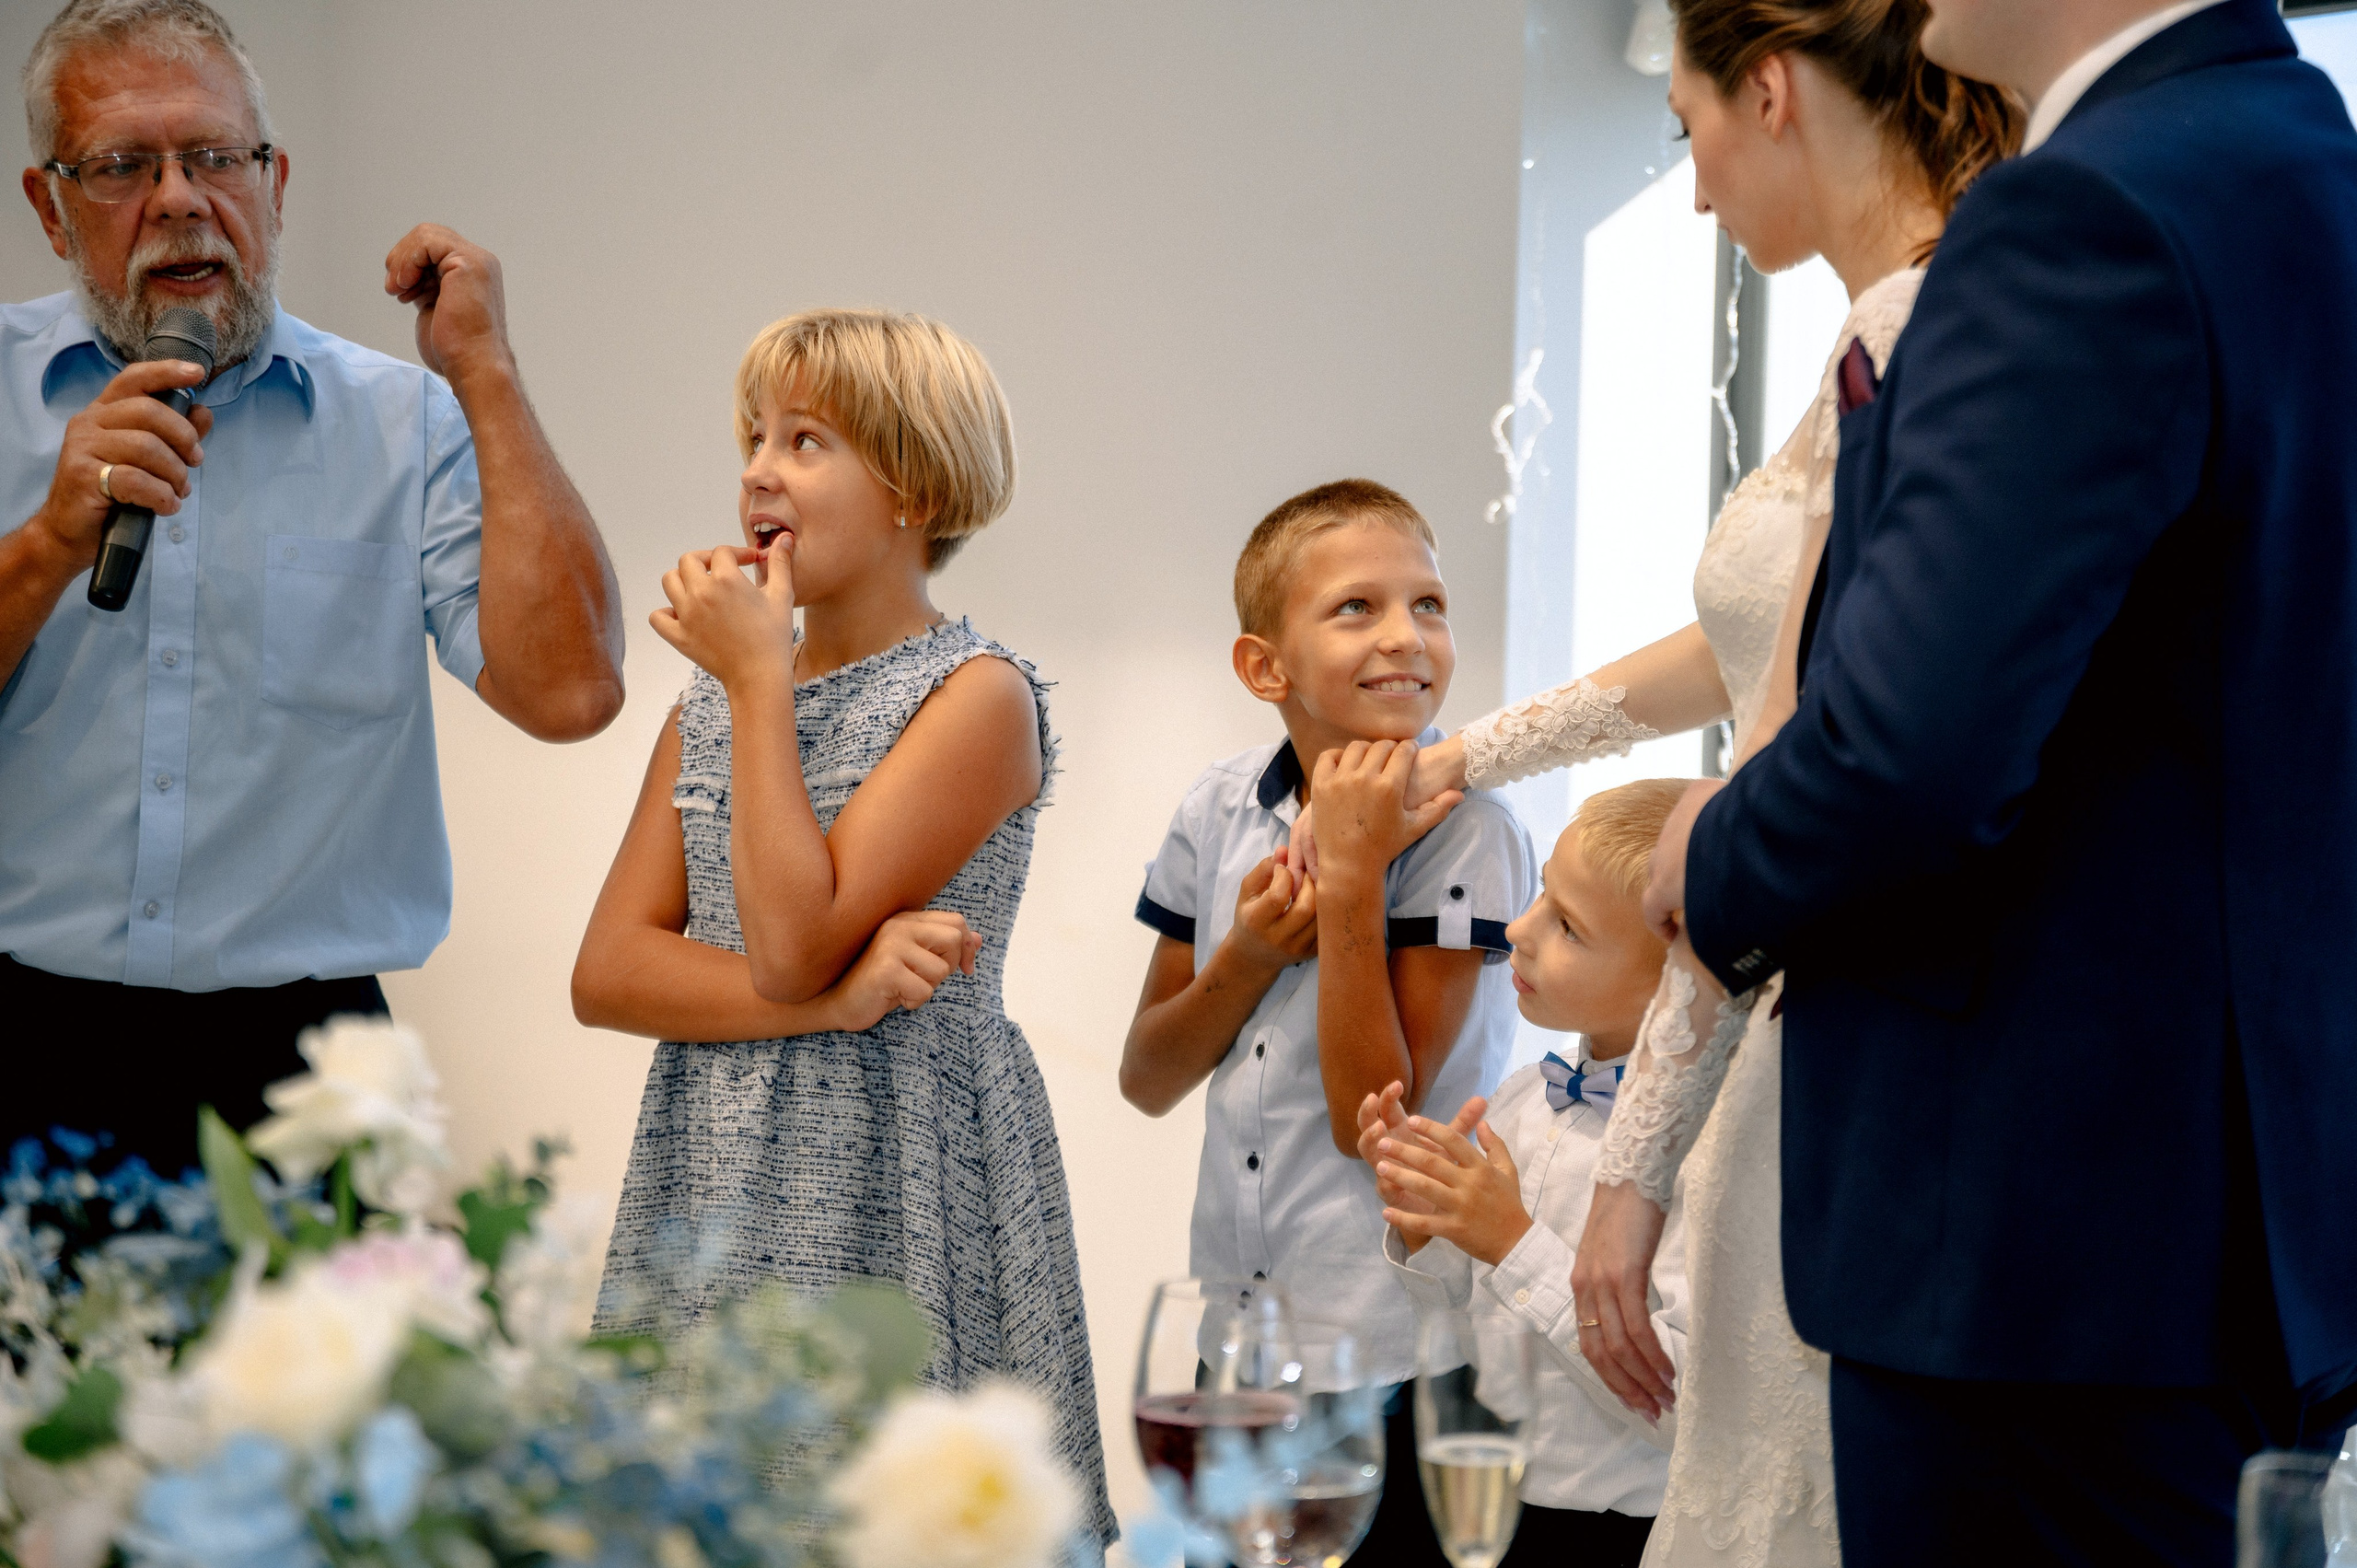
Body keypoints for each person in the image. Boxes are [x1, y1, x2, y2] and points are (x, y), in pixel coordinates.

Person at [1286, 4, 2016, 1562]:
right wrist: (1465, 757)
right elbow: (1736, 640)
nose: (1690, 189)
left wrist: (1626, 1173)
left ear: (1768, 93)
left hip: (1814, 1010)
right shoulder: (1869, 339)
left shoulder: (1938, 328)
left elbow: (1780, 758)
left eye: (1686, 133)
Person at [1630, 1, 2357, 1562]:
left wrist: (1703, 858)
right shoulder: (2306, 160)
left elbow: (1911, 749)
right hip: (2238, 1224)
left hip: (2035, 1252)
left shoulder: (2083, 208)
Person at [0, 0, 623, 1174]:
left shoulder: (408, 422)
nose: (180, 197)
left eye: (216, 158)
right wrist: (45, 541)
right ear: (49, 206)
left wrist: (484, 373)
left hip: (301, 1067)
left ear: (276, 184)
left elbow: (572, 693)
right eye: (124, 165)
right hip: (22, 1032)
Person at [581, 308, 1111, 1551]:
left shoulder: (979, 696)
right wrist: (833, 998)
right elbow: (611, 970)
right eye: (755, 436)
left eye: (807, 439)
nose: (760, 467)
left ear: (915, 489)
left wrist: (762, 679)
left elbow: (788, 936)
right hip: (714, 1162)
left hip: (906, 1163)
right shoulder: (706, 703)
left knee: (892, 1518)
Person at [1121, 479, 1537, 1567]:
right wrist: (1252, 952)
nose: (1407, 636)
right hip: (1240, 1342)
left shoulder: (1469, 830)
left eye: (1430, 604)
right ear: (1266, 666)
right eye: (1357, 607)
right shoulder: (1216, 810)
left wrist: (1351, 878)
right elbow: (1148, 1074)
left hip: (1396, 1351)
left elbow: (1372, 1122)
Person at [1364, 780, 1698, 1568]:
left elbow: (1678, 1407)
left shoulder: (1701, 1157)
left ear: (1678, 981)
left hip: (1607, 1536)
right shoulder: (1521, 1096)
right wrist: (1426, 1230)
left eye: (1567, 927)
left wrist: (1513, 1242)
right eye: (1540, 894)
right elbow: (1464, 1317)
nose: (1517, 928)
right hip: (1480, 1500)